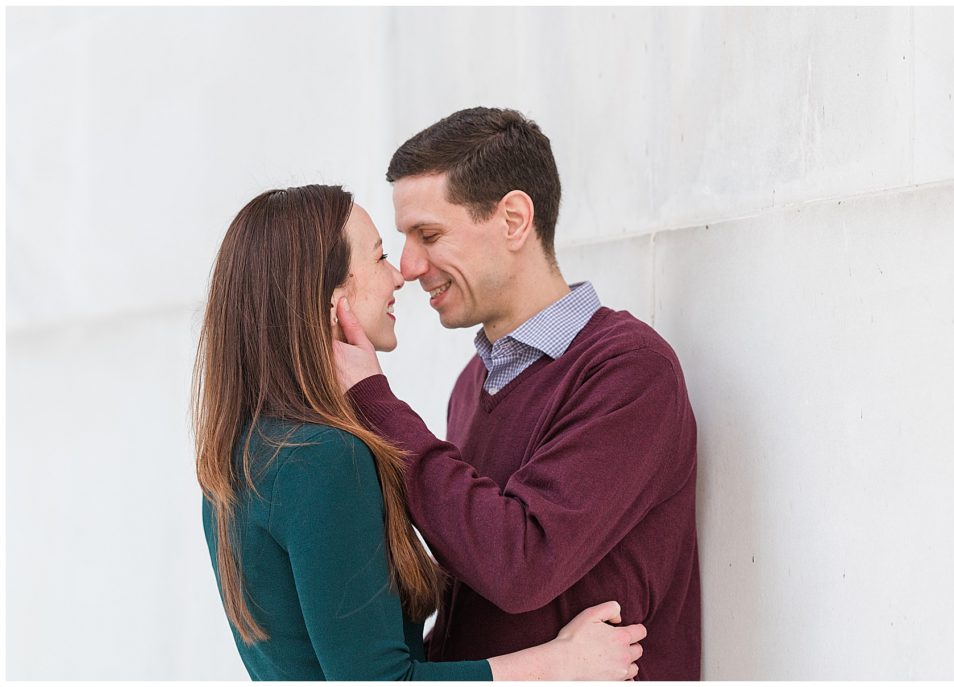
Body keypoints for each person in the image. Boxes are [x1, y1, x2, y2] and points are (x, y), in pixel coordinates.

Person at [193, 185, 646, 680]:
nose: (398, 275)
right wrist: (559, 664)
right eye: (380, 256)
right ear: (328, 299)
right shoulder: (322, 458)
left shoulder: (245, 454)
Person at [332, 108, 701, 680]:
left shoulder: (629, 370)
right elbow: (474, 606)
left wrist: (376, 403)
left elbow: (520, 565)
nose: (408, 265)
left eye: (428, 235)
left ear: (513, 219)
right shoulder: (470, 387)